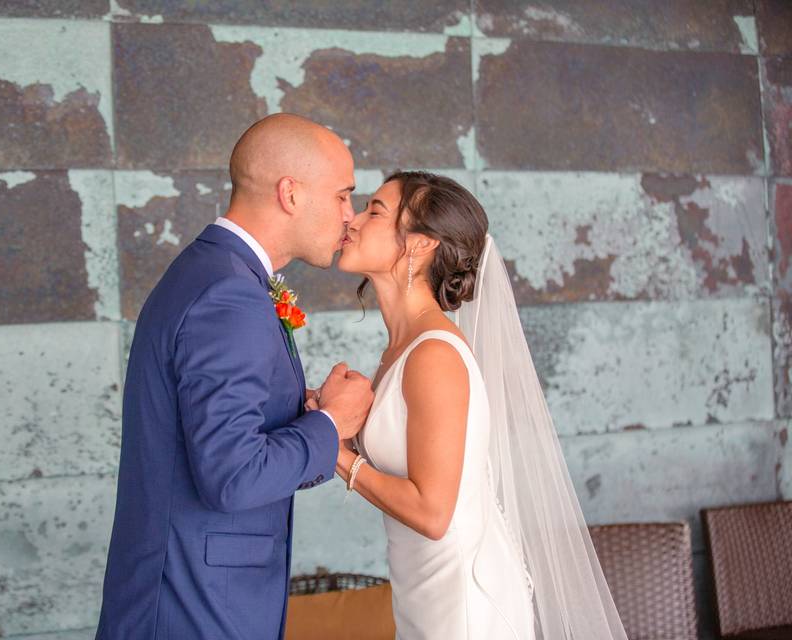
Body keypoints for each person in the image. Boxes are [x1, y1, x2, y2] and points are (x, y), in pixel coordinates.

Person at [309, 171, 628, 639]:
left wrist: (330, 443)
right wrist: (331, 416)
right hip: (423, 590)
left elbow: (434, 513)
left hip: (462, 602)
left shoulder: (434, 354)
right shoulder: (402, 348)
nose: (352, 221)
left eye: (374, 210)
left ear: (419, 245)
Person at [95, 113, 374, 640]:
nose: (350, 216)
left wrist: (305, 415)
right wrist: (331, 424)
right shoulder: (230, 295)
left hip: (193, 593)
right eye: (342, 195)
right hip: (192, 605)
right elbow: (232, 476)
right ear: (290, 194)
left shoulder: (217, 274)